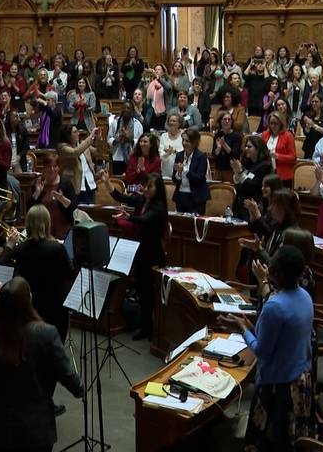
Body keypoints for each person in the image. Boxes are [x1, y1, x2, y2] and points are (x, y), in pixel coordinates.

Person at [0, 277, 83, 452]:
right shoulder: (47, 334)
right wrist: (79, 388)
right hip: (37, 432)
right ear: (28, 301)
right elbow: (66, 374)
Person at [220, 246, 314, 450]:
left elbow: (262, 351)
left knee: (269, 444)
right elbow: (280, 339)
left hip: (277, 389)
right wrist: (249, 325)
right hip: (300, 382)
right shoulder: (305, 297)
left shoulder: (275, 306)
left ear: (277, 273)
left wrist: (242, 328)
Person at [110, 174, 168, 340]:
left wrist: (129, 217)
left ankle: (151, 327)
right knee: (142, 291)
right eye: (146, 186)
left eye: (150, 187)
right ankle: (145, 326)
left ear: (157, 190)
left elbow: (145, 219)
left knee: (149, 292)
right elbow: (121, 197)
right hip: (142, 252)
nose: (146, 189)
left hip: (153, 256)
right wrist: (107, 182)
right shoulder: (143, 201)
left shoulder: (159, 207)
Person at [6, 205, 75, 342]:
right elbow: (70, 273)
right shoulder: (56, 248)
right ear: (47, 223)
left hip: (30, 305)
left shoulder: (20, 248)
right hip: (54, 306)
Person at [58, 125, 100, 205]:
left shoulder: (82, 144)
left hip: (90, 184)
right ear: (68, 136)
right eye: (75, 132)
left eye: (78, 131)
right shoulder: (62, 147)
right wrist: (91, 136)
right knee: (79, 214)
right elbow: (75, 152)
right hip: (76, 187)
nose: (78, 133)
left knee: (91, 213)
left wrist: (99, 139)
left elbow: (98, 152)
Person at [172, 129, 210, 215]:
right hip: (181, 195)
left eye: (187, 141)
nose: (184, 143)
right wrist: (178, 173)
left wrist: (184, 171)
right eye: (183, 140)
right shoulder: (179, 155)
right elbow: (174, 179)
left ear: (194, 142)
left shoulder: (201, 156)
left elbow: (199, 178)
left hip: (196, 197)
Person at [107, 104, 144, 175]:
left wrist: (130, 139)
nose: (126, 110)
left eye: (128, 108)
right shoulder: (115, 123)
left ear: (132, 111)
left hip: (132, 157)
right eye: (124, 108)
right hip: (118, 157)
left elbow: (140, 141)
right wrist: (117, 140)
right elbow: (109, 138)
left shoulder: (138, 124)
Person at [261, 112, 297, 183]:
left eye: (276, 123)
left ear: (281, 123)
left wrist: (277, 156)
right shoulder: (265, 134)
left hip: (283, 174)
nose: (273, 126)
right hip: (266, 172)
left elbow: (293, 157)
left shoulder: (288, 136)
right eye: (271, 123)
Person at [211, 110, 242, 183]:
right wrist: (218, 148)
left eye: (229, 119)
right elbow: (214, 154)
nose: (227, 121)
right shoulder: (217, 135)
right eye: (225, 119)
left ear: (232, 122)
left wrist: (224, 145)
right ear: (220, 122)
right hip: (218, 169)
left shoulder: (236, 136)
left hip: (230, 170)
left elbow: (236, 155)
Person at [158, 113, 184, 178]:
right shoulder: (163, 136)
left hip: (180, 170)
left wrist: (174, 151)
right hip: (165, 170)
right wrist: (168, 153)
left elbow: (185, 152)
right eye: (170, 121)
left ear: (179, 123)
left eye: (174, 121)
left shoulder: (183, 136)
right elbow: (160, 153)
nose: (171, 123)